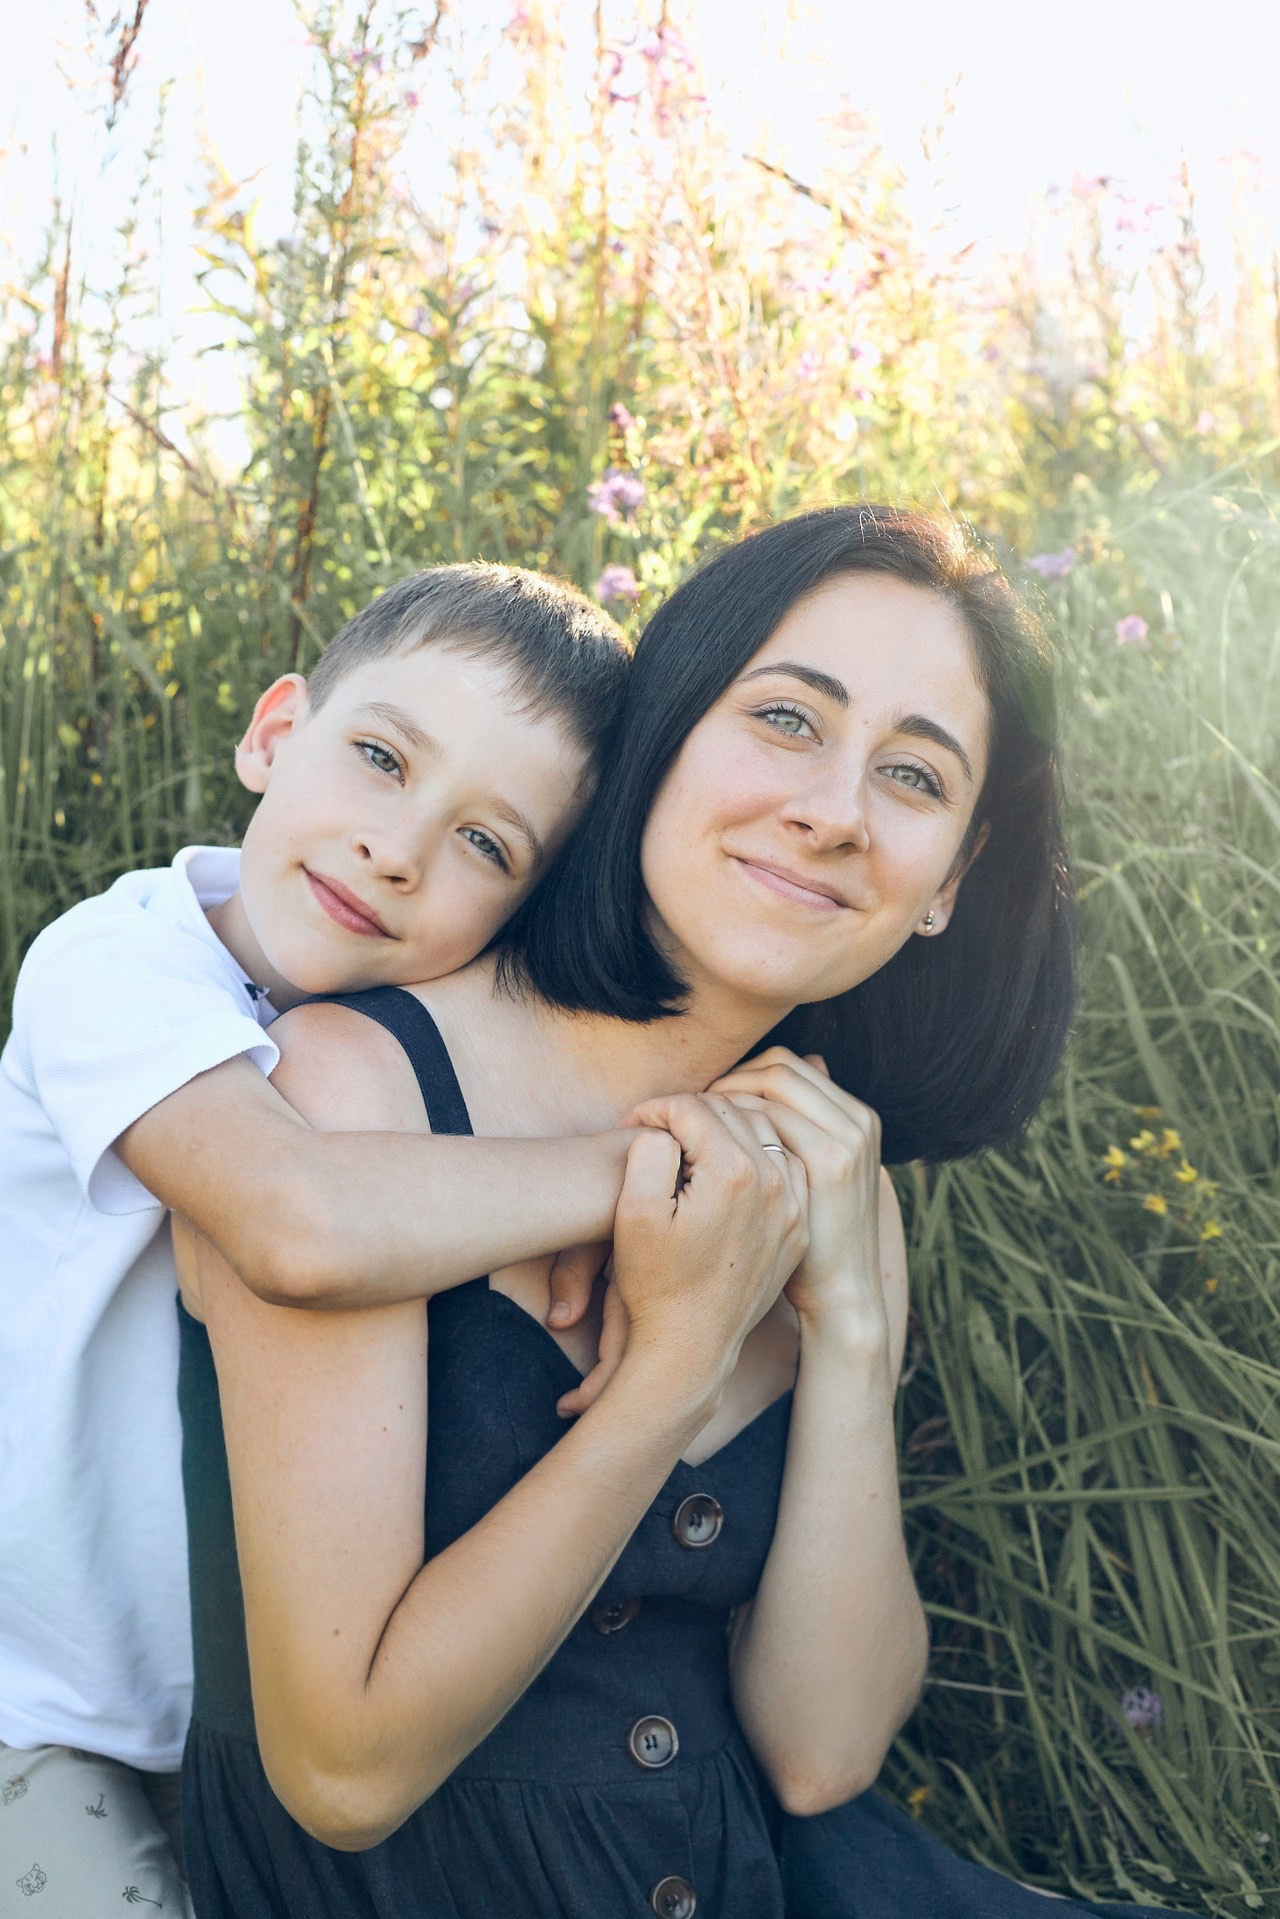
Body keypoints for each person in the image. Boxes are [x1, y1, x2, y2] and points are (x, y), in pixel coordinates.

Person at [177, 506, 1187, 1917]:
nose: (835, 809)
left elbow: (823, 1752)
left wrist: (841, 1328)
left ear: (949, 880)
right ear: (659, 731)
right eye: (786, 718)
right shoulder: (352, 1094)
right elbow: (342, 1771)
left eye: (911, 774)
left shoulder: (832, 1177)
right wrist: (678, 1363)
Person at [0, 564, 639, 1919]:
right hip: (38, 1717)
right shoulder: (116, 962)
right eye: (380, 757)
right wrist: (632, 1174)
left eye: (487, 846)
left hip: (237, 1737)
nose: (398, 847)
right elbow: (298, 1223)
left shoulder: (421, 1072)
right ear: (275, 734)